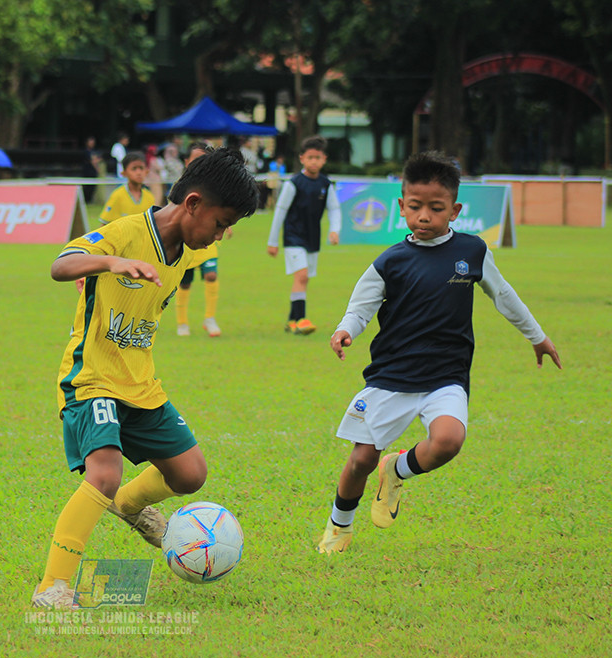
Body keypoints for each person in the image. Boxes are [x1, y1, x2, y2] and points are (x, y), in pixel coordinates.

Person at [32, 147, 259, 608]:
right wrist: (108, 262)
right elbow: (61, 264)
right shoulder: (126, 232)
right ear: (193, 203)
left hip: (140, 383)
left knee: (191, 473)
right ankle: (52, 586)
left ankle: (128, 508)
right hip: (92, 378)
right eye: (221, 221)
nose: (221, 233)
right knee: (105, 472)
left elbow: (205, 244)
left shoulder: (196, 249)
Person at [317, 151, 562, 554]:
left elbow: (504, 295)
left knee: (448, 441)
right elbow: (361, 307)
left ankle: (396, 469)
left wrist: (537, 336)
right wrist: (346, 329)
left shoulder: (472, 252)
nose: (425, 216)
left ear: (455, 210)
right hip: (392, 376)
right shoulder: (390, 261)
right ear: (401, 207)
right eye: (415, 207)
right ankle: (339, 526)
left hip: (446, 375)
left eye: (436, 208)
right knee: (360, 460)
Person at [266, 135, 342, 335]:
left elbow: (334, 209)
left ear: (324, 159)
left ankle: (291, 321)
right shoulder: (294, 184)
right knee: (302, 275)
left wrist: (335, 230)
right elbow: (280, 211)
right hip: (293, 237)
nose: (314, 161)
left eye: (318, 157)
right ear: (302, 158)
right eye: (310, 157)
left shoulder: (326, 184)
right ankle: (301, 319)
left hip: (312, 237)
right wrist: (272, 242)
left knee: (304, 278)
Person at [175, 142, 225, 337]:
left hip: (208, 242)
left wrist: (225, 225)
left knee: (211, 276)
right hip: (187, 242)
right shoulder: (180, 187)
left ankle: (210, 318)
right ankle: (182, 323)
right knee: (185, 283)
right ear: (187, 162)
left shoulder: (214, 187)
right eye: (195, 160)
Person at [98, 151, 154, 225]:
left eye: (141, 168)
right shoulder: (117, 195)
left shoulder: (150, 197)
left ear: (146, 171)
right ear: (124, 173)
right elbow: (104, 225)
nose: (138, 172)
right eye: (134, 169)